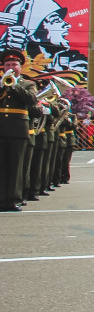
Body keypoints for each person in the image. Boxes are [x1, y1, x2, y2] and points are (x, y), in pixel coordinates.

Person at [0, 49, 40, 211]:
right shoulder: (1, 83)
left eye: (14, 64)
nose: (11, 67)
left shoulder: (28, 84)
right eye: (8, 65)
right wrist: (2, 84)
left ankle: (13, 199)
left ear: (20, 67)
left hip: (18, 129)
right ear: (3, 67)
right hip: (1, 127)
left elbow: (31, 100)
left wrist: (14, 85)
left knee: (16, 166)